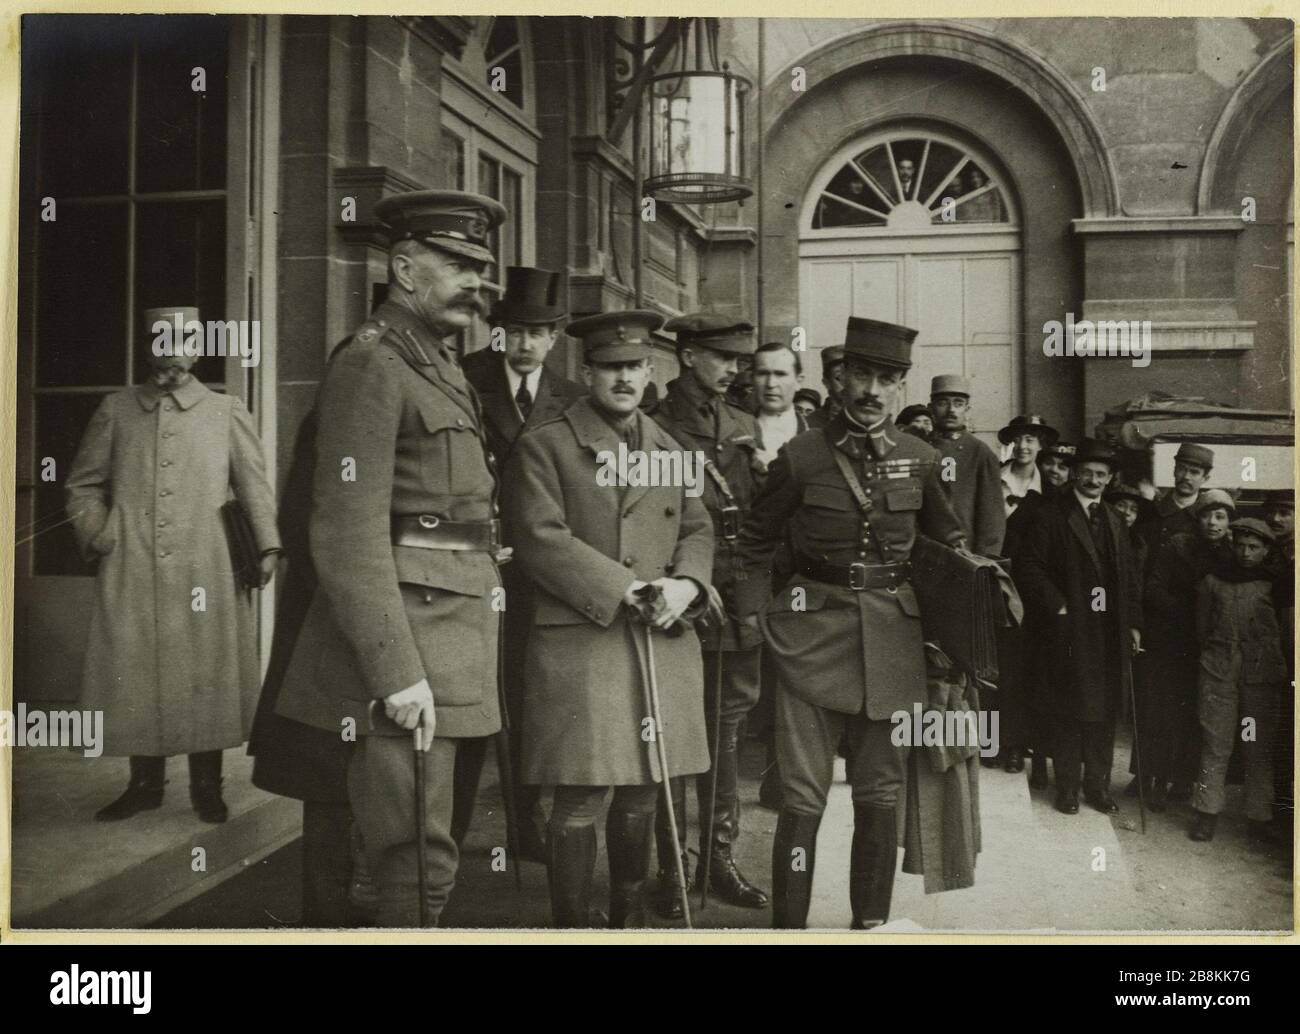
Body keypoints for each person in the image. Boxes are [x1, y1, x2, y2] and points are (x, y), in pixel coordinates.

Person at [274, 190, 507, 927]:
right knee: (412, 861)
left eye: (482, 265)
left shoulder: (435, 360)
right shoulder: (373, 362)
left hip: (455, 639)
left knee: (434, 856)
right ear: (405, 268)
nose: (479, 280)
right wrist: (396, 671)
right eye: (459, 264)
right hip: (407, 655)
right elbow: (345, 532)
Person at [734, 316, 966, 929]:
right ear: (839, 379)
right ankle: (789, 931)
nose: (871, 389)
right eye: (861, 374)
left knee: (880, 795)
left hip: (893, 644)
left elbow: (949, 546)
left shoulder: (921, 458)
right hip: (809, 642)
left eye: (886, 379)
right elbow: (754, 542)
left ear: (900, 386)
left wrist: (968, 618)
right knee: (803, 798)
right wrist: (756, 619)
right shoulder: (802, 455)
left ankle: (870, 926)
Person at [503, 310, 713, 927]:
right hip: (582, 635)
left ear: (651, 372)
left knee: (645, 785)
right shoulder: (545, 444)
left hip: (661, 633)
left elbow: (698, 528)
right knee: (581, 792)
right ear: (588, 371)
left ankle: (625, 920)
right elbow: (539, 537)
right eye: (610, 367)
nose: (623, 379)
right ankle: (571, 926)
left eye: (634, 367)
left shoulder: (672, 449)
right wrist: (625, 587)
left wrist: (685, 583)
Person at [66, 306, 280, 825]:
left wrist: (267, 545)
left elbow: (251, 483)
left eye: (184, 339)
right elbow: (82, 483)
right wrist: (100, 532)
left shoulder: (224, 410)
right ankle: (144, 785)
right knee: (136, 672)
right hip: (132, 560)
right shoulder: (116, 409)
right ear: (147, 347)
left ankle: (207, 785)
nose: (172, 350)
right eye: (161, 340)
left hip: (206, 563)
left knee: (204, 672)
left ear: (199, 348)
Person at [454, 266, 584, 857]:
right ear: (497, 331)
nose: (526, 344)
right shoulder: (462, 379)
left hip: (540, 574)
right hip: (474, 563)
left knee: (532, 697)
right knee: (466, 697)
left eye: (539, 333)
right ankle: (449, 827)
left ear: (555, 337)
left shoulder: (572, 398)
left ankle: (525, 819)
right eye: (515, 331)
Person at [648, 312, 770, 915]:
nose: (733, 368)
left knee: (725, 733)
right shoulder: (653, 424)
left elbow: (756, 518)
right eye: (722, 357)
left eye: (738, 359)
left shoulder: (744, 424)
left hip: (737, 601)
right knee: (671, 733)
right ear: (689, 354)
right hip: (679, 599)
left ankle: (720, 860)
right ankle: (672, 866)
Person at [1015, 439, 1142, 816]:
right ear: (1074, 474)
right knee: (1069, 707)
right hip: (1070, 630)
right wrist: (1060, 605)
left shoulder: (1115, 520)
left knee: (1103, 712)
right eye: (1086, 472)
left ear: (1110, 479)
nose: (1093, 480)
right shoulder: (1051, 515)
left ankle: (1097, 787)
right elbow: (1028, 566)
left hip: (1108, 630)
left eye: (1100, 474)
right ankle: (1067, 787)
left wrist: (1133, 624)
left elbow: (1131, 578)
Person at [1133, 489, 1235, 809]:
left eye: (1220, 517)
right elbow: (1153, 588)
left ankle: (1183, 780)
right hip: (1171, 644)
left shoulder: (1232, 555)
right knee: (1162, 713)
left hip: (1207, 649)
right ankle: (1156, 780)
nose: (1213, 523)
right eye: (1207, 515)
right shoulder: (1177, 546)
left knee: (1195, 717)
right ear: (1196, 518)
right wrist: (1187, 612)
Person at [1189, 518, 1288, 842]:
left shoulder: (1277, 583)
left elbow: (1288, 631)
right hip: (1218, 673)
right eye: (1241, 545)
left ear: (1266, 550)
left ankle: (1258, 816)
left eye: (1254, 547)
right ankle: (1206, 812)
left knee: (1257, 746)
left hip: (1260, 678)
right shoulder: (1213, 581)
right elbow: (1201, 627)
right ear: (1232, 546)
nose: (1246, 553)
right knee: (1215, 744)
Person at [989, 414, 1058, 775]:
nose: (1025, 445)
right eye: (1019, 438)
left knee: (1027, 668)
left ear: (1041, 446)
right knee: (994, 666)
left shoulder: (1049, 493)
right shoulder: (992, 480)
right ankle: (992, 741)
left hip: (1031, 593)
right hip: (992, 586)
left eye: (1032, 439)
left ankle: (1018, 745)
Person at [1006, 438, 1076, 790]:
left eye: (1064, 467)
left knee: (1060, 687)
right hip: (1033, 610)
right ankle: (1019, 748)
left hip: (1069, 613)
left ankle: (1053, 758)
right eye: (1050, 464)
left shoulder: (1078, 507)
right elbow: (1017, 557)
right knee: (1026, 680)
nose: (1056, 472)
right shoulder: (1031, 505)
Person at [929, 375, 1006, 557]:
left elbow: (991, 518)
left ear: (967, 409)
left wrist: (985, 561)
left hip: (965, 555)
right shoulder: (920, 448)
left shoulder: (980, 452)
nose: (951, 411)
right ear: (931, 408)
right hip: (925, 552)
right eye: (942, 403)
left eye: (958, 404)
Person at [1137, 443, 1214, 563]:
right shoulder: (1151, 512)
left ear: (1205, 478)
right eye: (1182, 469)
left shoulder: (1208, 518)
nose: (1186, 477)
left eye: (1194, 472)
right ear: (1174, 471)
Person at [753, 341, 808, 466]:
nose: (771, 384)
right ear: (752, 378)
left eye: (780, 374)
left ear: (798, 381)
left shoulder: (819, 432)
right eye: (762, 374)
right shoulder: (736, 429)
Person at [998, 414, 1057, 518]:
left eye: (1029, 440)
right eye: (1016, 441)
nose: (1022, 446)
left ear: (1040, 445)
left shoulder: (1048, 489)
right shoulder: (993, 476)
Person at [806, 346, 845, 429]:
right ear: (826, 382)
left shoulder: (870, 418)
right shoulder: (810, 423)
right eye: (839, 377)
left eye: (852, 376)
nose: (847, 383)